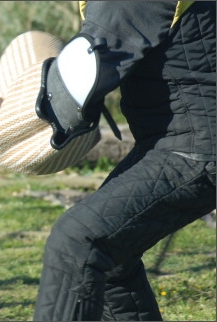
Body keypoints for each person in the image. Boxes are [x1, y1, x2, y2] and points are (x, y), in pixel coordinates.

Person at [32, 1, 216, 320]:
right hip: (173, 141)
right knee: (113, 257)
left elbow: (82, 75)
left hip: (197, 147)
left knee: (77, 241)